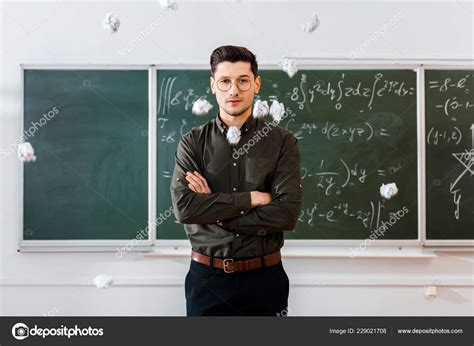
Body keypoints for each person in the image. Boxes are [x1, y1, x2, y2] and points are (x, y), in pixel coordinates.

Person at [170, 45, 303, 316]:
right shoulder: (193, 143)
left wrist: (215, 212)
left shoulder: (282, 143)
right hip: (207, 280)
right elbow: (185, 208)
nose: (234, 90)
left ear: (256, 84)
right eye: (225, 81)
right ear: (213, 85)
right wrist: (251, 199)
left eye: (243, 81)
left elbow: (286, 214)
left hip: (265, 279)